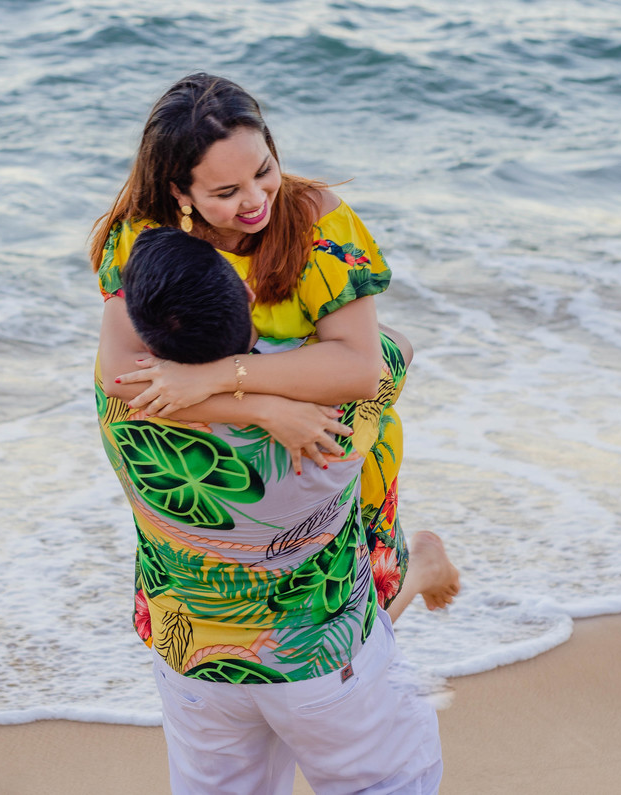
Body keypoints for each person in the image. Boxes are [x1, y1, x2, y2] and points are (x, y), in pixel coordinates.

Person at [90, 72, 458, 622]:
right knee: (227, 603)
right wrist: (261, 408)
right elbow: (119, 375)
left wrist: (219, 377)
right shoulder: (147, 235)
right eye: (225, 193)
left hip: (322, 401)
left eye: (264, 171)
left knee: (349, 606)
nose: (256, 199)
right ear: (179, 192)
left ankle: (420, 566)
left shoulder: (316, 220)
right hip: (240, 411)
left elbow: (361, 368)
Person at [97, 225, 443, 793]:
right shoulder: (332, 409)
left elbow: (118, 316)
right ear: (250, 297)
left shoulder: (117, 400)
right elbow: (392, 347)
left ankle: (415, 571)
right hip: (322, 666)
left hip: (193, 663)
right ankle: (412, 570)